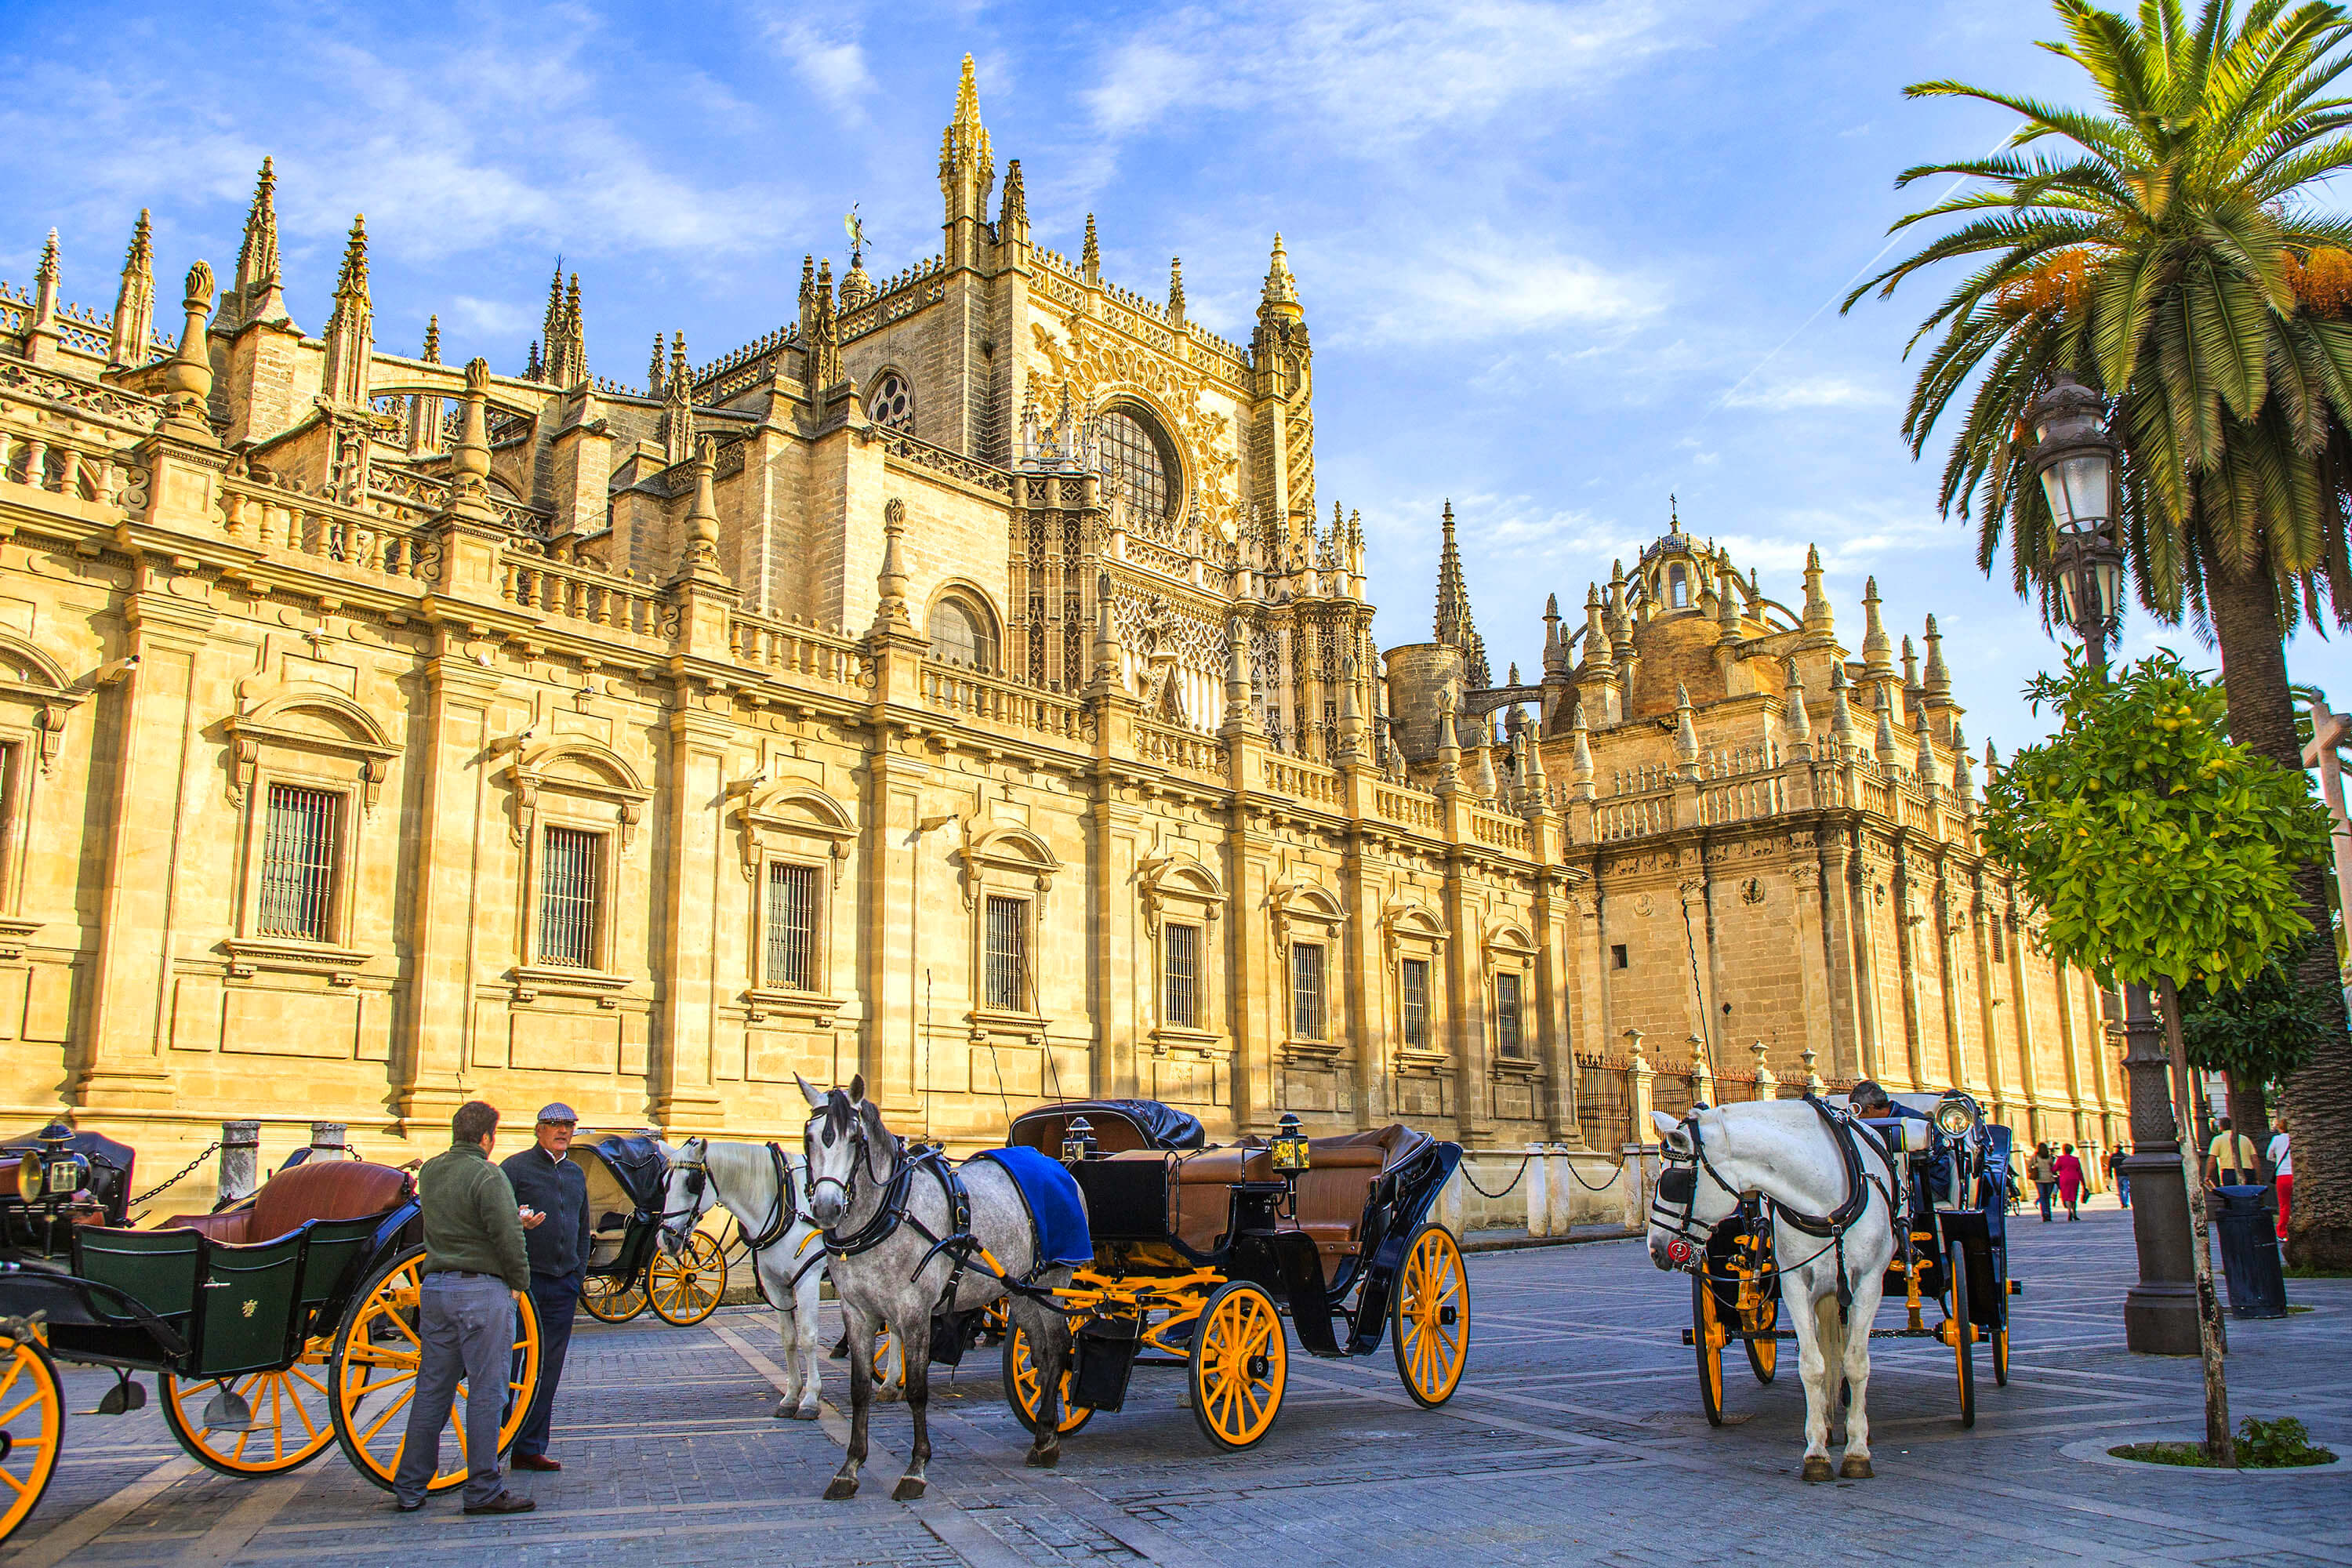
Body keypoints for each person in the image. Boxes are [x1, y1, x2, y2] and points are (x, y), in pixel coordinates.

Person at [393, 1101, 537, 1516]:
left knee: (432, 1391)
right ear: (487, 1138)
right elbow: (507, 1237)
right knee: (487, 1393)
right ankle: (483, 1489)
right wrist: (518, 1285)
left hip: (436, 1287)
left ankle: (410, 1487)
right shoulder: (488, 1174)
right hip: (481, 1291)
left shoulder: (432, 1170)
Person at [502, 1104, 590, 1474]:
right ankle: (497, 1442)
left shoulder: (574, 1173)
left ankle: (529, 1448)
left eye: (569, 1125)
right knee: (508, 1366)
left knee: (547, 1369)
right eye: (555, 1125)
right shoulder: (515, 1168)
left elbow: (584, 1225)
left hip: (562, 1283)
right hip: (525, 1283)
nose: (563, 1131)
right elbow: (498, 1218)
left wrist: (578, 1272)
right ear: (538, 1129)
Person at [2205, 1116, 2261, 1189]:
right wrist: (2258, 1178)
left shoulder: (2218, 1139)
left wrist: (2208, 1175)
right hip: (2247, 1172)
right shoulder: (2245, 1139)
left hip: (2229, 1172)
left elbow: (2212, 1161)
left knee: (2231, 1195)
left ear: (2221, 1127)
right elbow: (2255, 1159)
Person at [2270, 1116, 2292, 1243]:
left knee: (2284, 1205)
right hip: (2296, 1174)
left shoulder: (2276, 1139)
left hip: (2282, 1175)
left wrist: (2277, 1160)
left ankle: (2282, 1232)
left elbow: (2269, 1155)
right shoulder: (2296, 1138)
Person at [2053, 1143, 2085, 1221]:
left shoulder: (2060, 1159)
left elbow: (2055, 1169)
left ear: (2064, 1150)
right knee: (2074, 1196)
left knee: (2067, 1196)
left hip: (2064, 1179)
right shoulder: (2075, 1159)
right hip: (2074, 1179)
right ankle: (2074, 1212)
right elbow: (2079, 1171)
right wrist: (2083, 1183)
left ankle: (2069, 1211)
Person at [2030, 1142, 2057, 1222]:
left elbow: (2029, 1166)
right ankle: (2048, 1213)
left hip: (2039, 1179)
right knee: (2047, 1197)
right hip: (2049, 1178)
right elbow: (2054, 1168)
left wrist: (2033, 1169)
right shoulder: (2050, 1157)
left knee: (2042, 1196)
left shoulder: (2035, 1157)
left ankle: (2044, 1213)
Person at [2107, 1144, 2131, 1209]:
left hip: (2118, 1174)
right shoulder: (2127, 1156)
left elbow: (2110, 1166)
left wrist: (2110, 1174)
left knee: (2120, 1190)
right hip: (2126, 1174)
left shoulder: (2113, 1156)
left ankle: (2123, 1203)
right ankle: (2127, 1203)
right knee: (2127, 1189)